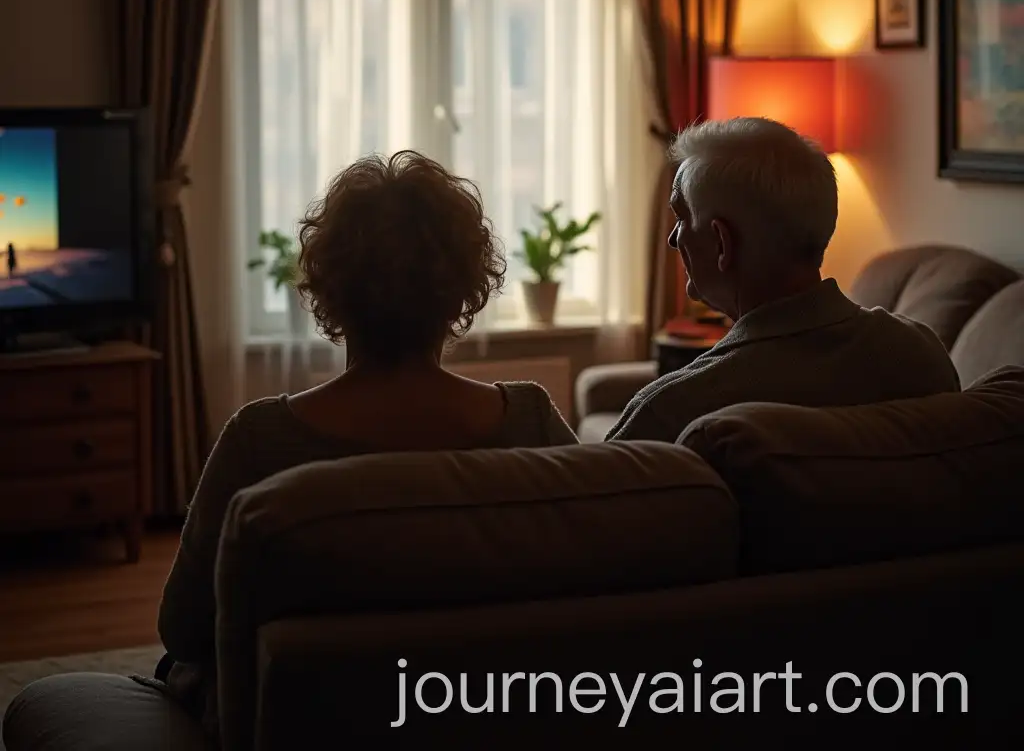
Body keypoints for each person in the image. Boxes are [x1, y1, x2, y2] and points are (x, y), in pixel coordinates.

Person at [3, 150, 578, 749]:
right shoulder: (532, 420)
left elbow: (182, 626)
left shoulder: (260, 440)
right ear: (464, 286)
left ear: (328, 285)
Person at [605, 117, 961, 443]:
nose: (673, 239)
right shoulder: (921, 357)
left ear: (721, 244)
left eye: (682, 218)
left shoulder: (672, 411)